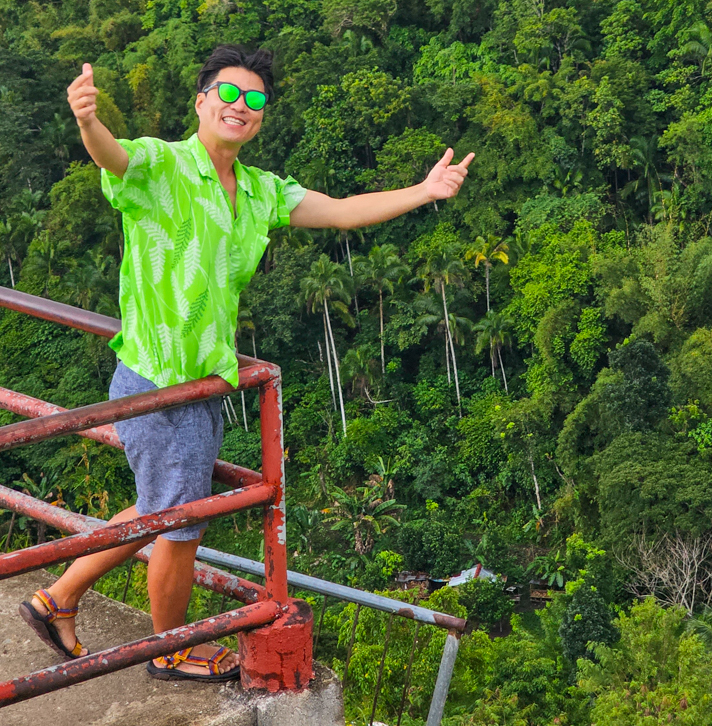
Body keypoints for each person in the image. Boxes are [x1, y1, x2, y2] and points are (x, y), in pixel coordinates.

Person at [19, 45, 473, 682]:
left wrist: (424, 192)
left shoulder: (259, 191)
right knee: (178, 526)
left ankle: (57, 596)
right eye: (228, 94)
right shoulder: (163, 163)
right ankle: (168, 653)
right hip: (157, 382)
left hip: (201, 385)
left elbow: (341, 211)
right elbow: (113, 156)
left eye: (255, 100)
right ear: (201, 101)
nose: (241, 106)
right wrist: (88, 121)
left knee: (168, 504)